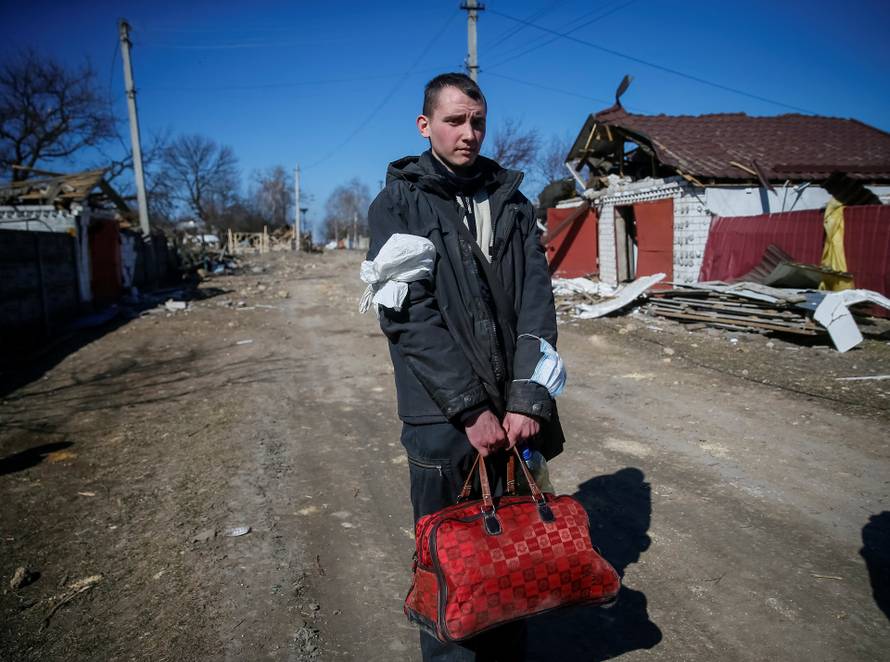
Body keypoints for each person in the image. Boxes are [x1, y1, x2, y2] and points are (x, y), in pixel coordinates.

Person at [366, 72, 565, 661]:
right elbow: (408, 318)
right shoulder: (397, 203)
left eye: (477, 121)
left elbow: (537, 302)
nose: (469, 133)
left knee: (514, 561)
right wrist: (471, 410)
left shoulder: (511, 201)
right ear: (426, 126)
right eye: (455, 121)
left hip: (513, 417)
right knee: (453, 570)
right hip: (444, 421)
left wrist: (528, 399)